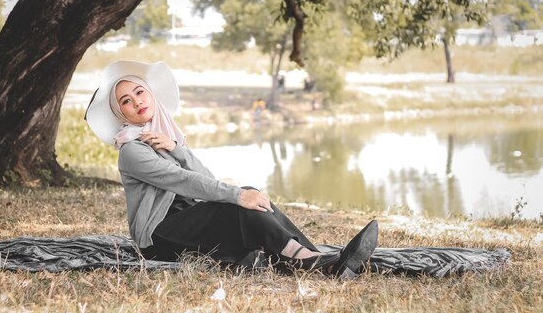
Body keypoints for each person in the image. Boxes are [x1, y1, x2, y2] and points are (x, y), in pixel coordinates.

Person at [85, 61, 378, 279]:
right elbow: (183, 181)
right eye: (126, 101)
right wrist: (236, 196)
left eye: (140, 92)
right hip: (161, 236)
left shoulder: (161, 136)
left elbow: (205, 177)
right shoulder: (132, 151)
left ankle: (319, 258)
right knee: (240, 203)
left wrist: (176, 147)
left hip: (188, 222)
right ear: (121, 112)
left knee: (250, 194)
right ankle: (314, 262)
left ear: (151, 95)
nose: (137, 102)